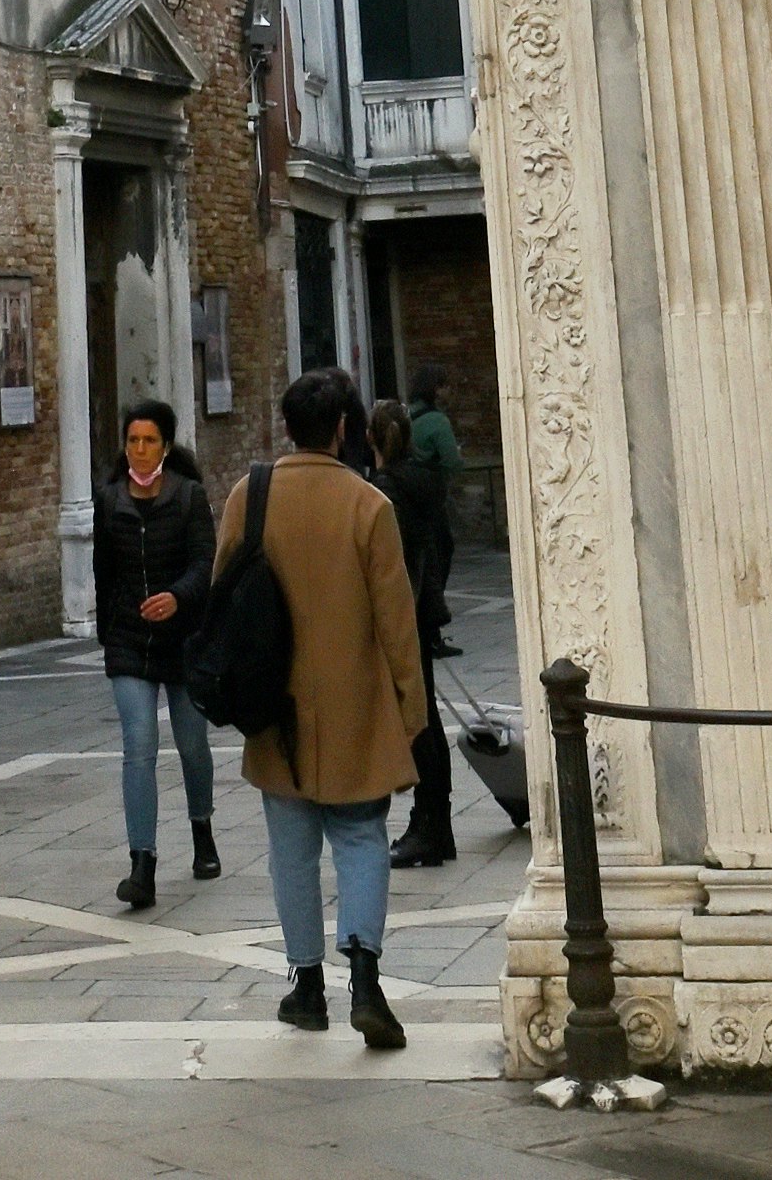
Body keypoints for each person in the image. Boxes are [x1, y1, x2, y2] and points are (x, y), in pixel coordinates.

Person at [211, 368, 429, 1051]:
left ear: (287, 427)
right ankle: (363, 976)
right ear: (343, 428)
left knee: (291, 851)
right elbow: (399, 623)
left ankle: (306, 985)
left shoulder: (250, 496)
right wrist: (410, 711)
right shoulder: (368, 506)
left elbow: (223, 591)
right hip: (355, 703)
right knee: (362, 840)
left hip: (274, 702)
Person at [94, 399, 219, 906]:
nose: (139, 451)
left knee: (192, 744)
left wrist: (179, 598)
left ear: (165, 446)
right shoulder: (108, 502)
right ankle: (141, 863)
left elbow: (205, 564)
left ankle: (202, 831)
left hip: (184, 638)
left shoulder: (189, 498)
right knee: (139, 746)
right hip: (130, 641)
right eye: (132, 442)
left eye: (149, 442)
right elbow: (104, 573)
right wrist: (109, 632)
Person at [374, 397, 460, 867]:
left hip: (403, 614)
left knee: (417, 723)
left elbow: (389, 558)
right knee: (426, 720)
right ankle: (436, 824)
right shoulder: (426, 485)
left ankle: (428, 825)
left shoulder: (384, 490)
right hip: (424, 609)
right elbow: (445, 543)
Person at [402, 370, 463, 653]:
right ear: (436, 388)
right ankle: (431, 630)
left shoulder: (403, 416)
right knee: (440, 555)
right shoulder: (437, 421)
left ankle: (417, 627)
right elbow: (452, 462)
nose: (451, 393)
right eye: (447, 386)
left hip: (402, 497)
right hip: (429, 498)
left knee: (414, 561)